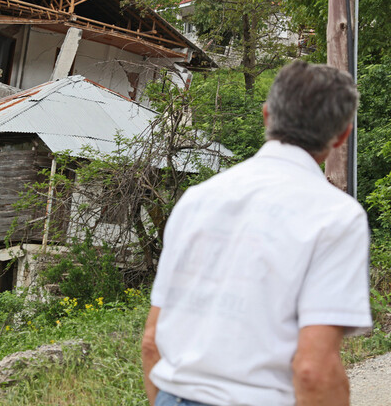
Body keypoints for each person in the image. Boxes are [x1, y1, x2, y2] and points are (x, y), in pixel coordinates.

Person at [142, 60, 372, 406]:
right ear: (342, 134)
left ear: (267, 116)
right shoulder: (336, 216)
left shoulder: (197, 199)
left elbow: (151, 341)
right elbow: (313, 370)